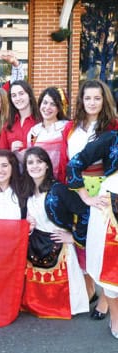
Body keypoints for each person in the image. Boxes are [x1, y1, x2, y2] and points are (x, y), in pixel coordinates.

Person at [58, 79, 118, 317]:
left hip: (103, 189)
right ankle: (89, 289)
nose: (92, 102)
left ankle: (105, 299)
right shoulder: (72, 127)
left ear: (104, 100)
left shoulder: (112, 127)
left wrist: (94, 195)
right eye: (87, 98)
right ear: (81, 100)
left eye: (97, 98)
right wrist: (80, 194)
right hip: (77, 186)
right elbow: (68, 160)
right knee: (83, 242)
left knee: (103, 247)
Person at [21, 147, 89, 319]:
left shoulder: (58, 189)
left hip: (59, 245)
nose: (34, 166)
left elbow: (84, 212)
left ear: (47, 166)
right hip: (35, 246)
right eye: (30, 162)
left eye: (39, 161)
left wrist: (74, 237)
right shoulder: (26, 191)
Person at [66, 130, 118, 339]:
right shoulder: (111, 138)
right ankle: (115, 318)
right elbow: (75, 164)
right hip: (111, 210)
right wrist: (85, 197)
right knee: (111, 271)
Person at [27, 87, 69, 178]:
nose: (47, 107)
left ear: (59, 108)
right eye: (45, 103)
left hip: (62, 180)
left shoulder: (66, 128)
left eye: (53, 104)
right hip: (39, 180)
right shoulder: (34, 131)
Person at [0, 80, 41, 162]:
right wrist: (11, 151)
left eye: (21, 94)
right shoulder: (8, 125)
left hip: (36, 171)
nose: (17, 98)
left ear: (29, 95)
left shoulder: (40, 122)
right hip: (14, 172)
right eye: (14, 95)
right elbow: (1, 154)